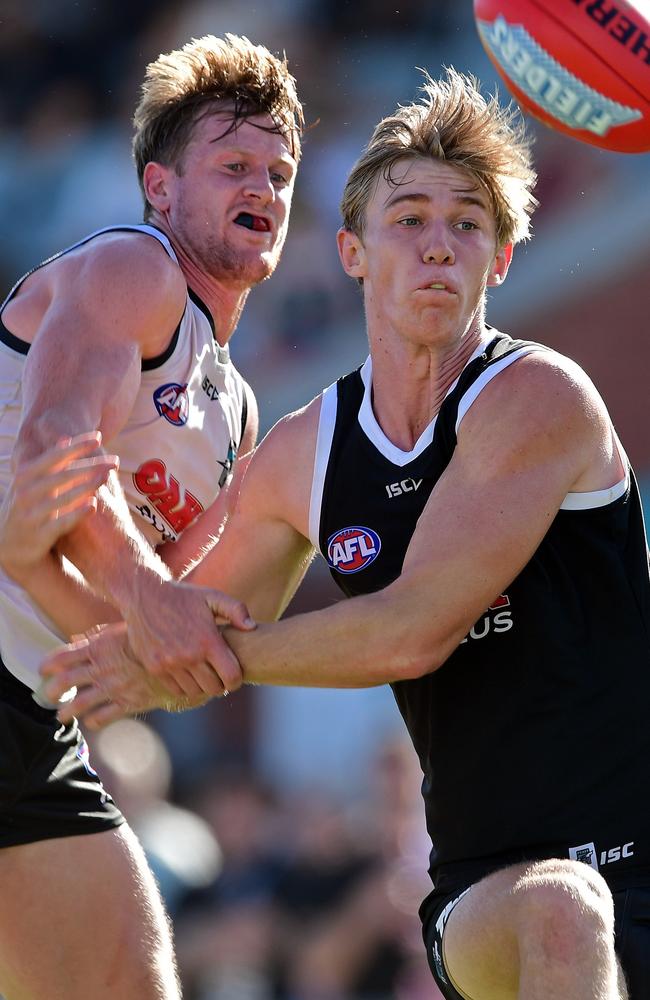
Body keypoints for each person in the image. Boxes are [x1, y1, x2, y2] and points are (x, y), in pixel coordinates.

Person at [8, 68, 650, 998]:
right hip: (497, 891)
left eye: (467, 223)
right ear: (350, 250)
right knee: (564, 907)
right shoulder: (294, 445)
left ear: (502, 260)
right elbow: (161, 629)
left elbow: (402, 629)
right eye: (409, 219)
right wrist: (47, 560)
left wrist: (191, 639)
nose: (438, 245)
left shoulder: (538, 397)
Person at [0, 33, 303, 1000]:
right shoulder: (135, 266)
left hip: (31, 712)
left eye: (280, 172)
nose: (263, 184)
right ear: (160, 187)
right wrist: (148, 603)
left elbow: (172, 634)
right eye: (233, 165)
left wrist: (162, 641)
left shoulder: (241, 410)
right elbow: (56, 454)